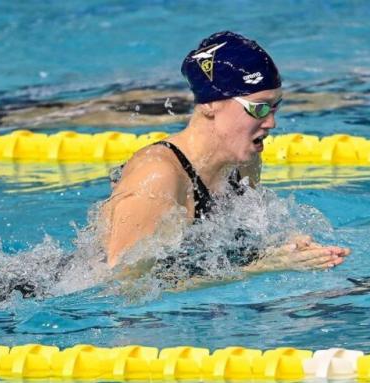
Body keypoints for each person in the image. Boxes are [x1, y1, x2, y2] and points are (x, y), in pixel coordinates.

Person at [102, 31, 350, 274]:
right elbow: (124, 287)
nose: (271, 122)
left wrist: (289, 245)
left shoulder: (244, 160)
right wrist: (260, 267)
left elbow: (246, 236)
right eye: (259, 108)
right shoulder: (159, 176)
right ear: (210, 104)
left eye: (275, 107)